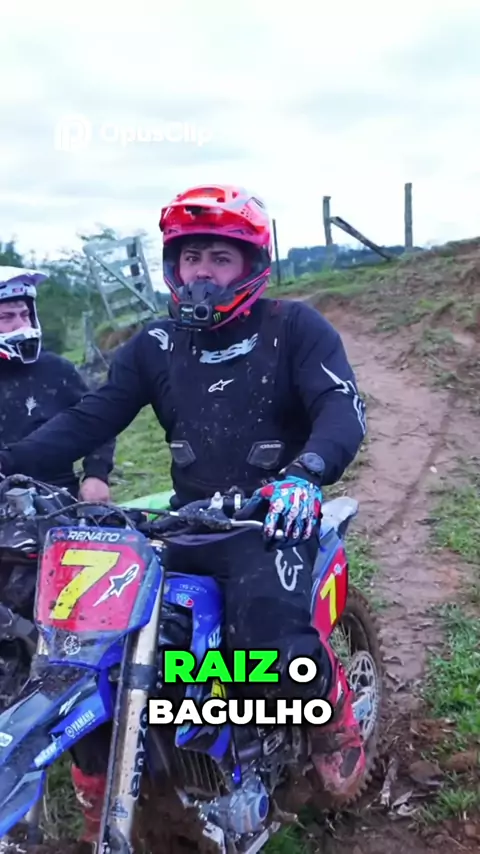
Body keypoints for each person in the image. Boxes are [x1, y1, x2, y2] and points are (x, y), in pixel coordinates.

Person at [0, 187, 367, 841]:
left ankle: (332, 715)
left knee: (270, 651)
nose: (202, 273)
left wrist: (304, 475)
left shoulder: (295, 328)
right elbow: (89, 419)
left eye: (219, 258)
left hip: (272, 519)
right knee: (92, 648)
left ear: (251, 265)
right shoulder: (155, 344)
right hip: (190, 519)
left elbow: (340, 406)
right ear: (173, 266)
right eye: (191, 257)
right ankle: (119, 787)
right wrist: (8, 464)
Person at [0, 266, 115, 502]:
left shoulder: (57, 370)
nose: (21, 325)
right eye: (7, 317)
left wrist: (96, 474)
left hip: (57, 495)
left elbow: (97, 420)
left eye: (25, 315)